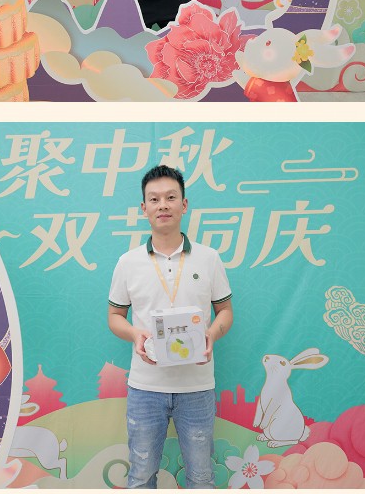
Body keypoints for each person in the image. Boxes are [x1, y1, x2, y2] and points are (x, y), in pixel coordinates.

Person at [108, 165, 233, 488]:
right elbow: (115, 316)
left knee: (201, 477)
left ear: (184, 204)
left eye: (170, 197)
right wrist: (134, 333)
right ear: (144, 208)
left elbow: (225, 312)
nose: (162, 205)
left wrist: (212, 334)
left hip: (197, 387)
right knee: (140, 476)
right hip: (145, 388)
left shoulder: (209, 258)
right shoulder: (128, 262)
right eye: (154, 199)